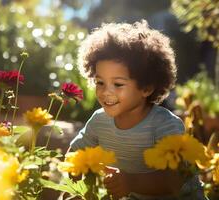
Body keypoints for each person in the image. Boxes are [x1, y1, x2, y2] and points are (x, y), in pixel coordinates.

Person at [70, 20, 207, 199]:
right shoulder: (99, 121)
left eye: (118, 84)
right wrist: (75, 171)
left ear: (147, 88)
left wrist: (131, 182)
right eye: (100, 82)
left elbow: (174, 180)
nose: (105, 91)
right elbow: (75, 153)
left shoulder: (164, 124)